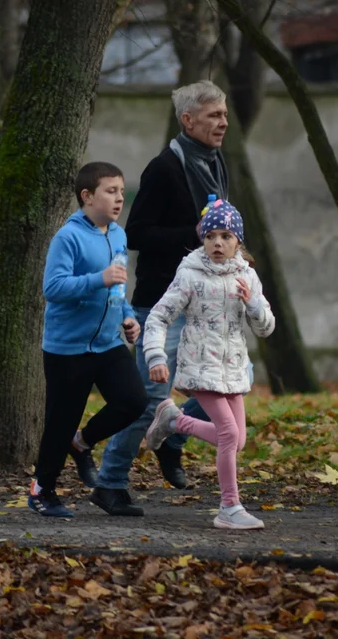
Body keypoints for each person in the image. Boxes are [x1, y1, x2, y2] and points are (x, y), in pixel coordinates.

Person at [92, 79, 252, 517]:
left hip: (211, 301)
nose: (223, 122)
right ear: (188, 120)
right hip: (164, 300)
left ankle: (176, 433)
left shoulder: (215, 161)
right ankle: (109, 483)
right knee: (149, 398)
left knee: (230, 379)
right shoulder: (165, 167)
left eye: (224, 114)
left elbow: (222, 226)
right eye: (214, 115)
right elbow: (138, 233)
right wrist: (198, 236)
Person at [26, 161, 150, 518]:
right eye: (111, 191)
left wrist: (127, 316)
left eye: (122, 193)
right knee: (59, 422)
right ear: (87, 196)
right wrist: (99, 279)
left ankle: (81, 444)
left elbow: (119, 286)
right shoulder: (68, 237)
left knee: (133, 400)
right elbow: (52, 288)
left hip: (109, 343)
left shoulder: (118, 234)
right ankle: (42, 491)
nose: (119, 199)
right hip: (68, 348)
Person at [143, 200, 274, 530]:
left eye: (226, 236)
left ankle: (174, 420)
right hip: (199, 367)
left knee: (237, 440)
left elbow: (266, 328)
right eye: (211, 236)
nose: (217, 243)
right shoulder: (189, 274)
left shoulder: (247, 277)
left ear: (238, 242)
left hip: (233, 371)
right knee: (229, 434)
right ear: (202, 238)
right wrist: (156, 356)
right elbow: (159, 317)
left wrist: (254, 303)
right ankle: (229, 507)